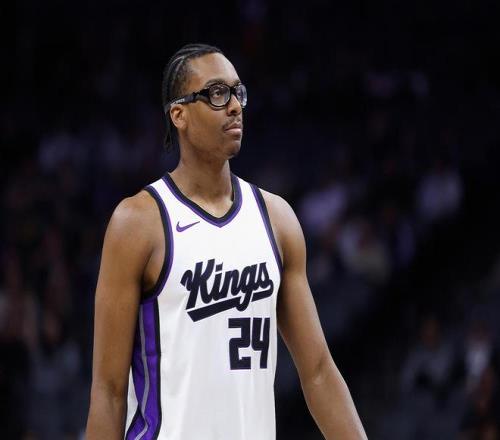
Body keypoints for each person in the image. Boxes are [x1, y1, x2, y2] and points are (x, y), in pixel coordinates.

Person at [86, 43, 367, 440]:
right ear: (179, 114)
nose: (235, 106)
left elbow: (319, 371)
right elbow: (109, 391)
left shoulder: (276, 219)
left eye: (238, 92)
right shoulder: (138, 223)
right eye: (217, 93)